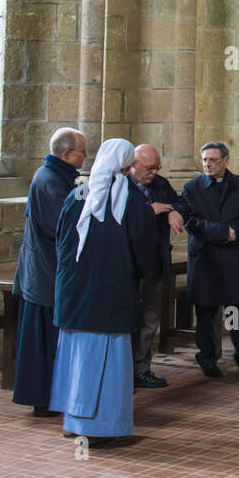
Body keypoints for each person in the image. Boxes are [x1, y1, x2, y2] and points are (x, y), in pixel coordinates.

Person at [50, 138, 159, 443]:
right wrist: (146, 277)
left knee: (78, 360)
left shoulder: (76, 195)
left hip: (75, 295)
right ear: (127, 164)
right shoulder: (131, 200)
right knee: (106, 362)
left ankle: (74, 422)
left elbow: (61, 242)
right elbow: (144, 251)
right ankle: (102, 427)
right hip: (109, 296)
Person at [10, 128, 86, 416]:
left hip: (46, 273)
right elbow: (62, 230)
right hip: (45, 276)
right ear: (66, 154)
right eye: (81, 150)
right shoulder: (50, 181)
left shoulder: (56, 177)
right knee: (43, 342)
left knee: (48, 339)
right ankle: (43, 399)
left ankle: (50, 396)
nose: (85, 155)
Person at [179, 141, 239, 378]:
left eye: (213, 160)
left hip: (234, 258)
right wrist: (222, 232)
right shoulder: (192, 188)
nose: (207, 164)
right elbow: (190, 221)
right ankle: (208, 358)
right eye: (204, 159)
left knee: (236, 312)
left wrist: (235, 231)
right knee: (206, 312)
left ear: (226, 161)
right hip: (206, 258)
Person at [127, 144, 184, 389]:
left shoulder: (160, 184)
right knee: (128, 321)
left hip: (155, 263)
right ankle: (122, 373)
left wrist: (175, 212)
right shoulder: (120, 185)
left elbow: (181, 202)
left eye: (157, 167)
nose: (154, 172)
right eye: (150, 168)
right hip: (128, 266)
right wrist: (148, 211)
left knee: (150, 319)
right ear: (133, 164)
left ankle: (142, 369)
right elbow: (117, 219)